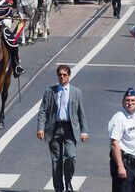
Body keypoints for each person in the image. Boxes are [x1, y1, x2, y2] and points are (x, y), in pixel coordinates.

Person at [36, 64, 89, 192]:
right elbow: (42, 110)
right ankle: (59, 188)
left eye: (65, 75)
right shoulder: (50, 91)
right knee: (56, 160)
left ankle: (68, 181)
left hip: (70, 129)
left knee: (70, 156)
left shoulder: (76, 92)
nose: (62, 77)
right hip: (54, 128)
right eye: (60, 75)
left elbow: (81, 113)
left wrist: (84, 131)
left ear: (69, 76)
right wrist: (40, 128)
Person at [108, 88, 135, 192]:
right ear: (122, 102)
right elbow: (114, 143)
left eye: (132, 101)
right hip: (126, 164)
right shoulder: (119, 118)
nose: (130, 103)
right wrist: (120, 166)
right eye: (127, 100)